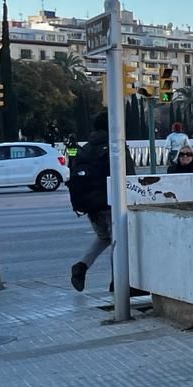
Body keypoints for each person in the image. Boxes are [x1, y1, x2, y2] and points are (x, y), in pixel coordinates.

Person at [66, 111, 134, 293]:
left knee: (104, 237)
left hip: (89, 204)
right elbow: (129, 175)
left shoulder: (86, 148)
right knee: (119, 240)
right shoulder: (115, 147)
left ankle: (81, 266)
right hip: (111, 202)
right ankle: (118, 283)